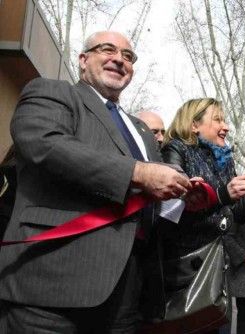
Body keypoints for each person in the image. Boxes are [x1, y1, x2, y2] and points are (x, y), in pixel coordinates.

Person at [0, 31, 194, 333]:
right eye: (107, 50)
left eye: (128, 56)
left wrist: (182, 196)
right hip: (52, 283)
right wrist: (139, 173)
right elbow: (44, 144)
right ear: (83, 59)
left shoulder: (141, 130)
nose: (119, 59)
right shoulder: (54, 93)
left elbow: (149, 196)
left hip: (128, 292)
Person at [155, 98, 245, 333]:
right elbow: (169, 213)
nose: (226, 127)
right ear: (193, 125)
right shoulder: (175, 150)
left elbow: (235, 217)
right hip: (184, 270)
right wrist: (222, 195)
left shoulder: (223, 159)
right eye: (218, 120)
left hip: (217, 266)